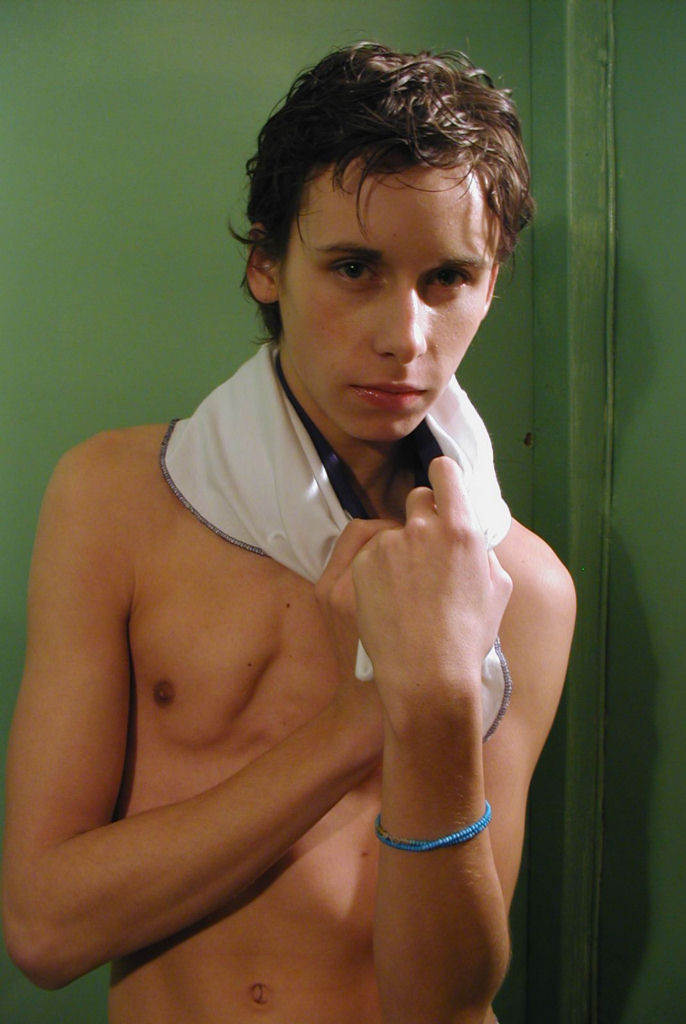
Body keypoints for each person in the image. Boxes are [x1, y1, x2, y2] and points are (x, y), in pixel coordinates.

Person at [2, 42, 575, 1024]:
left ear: (490, 286)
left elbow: (443, 1002)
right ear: (266, 263)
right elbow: (44, 931)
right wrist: (360, 723)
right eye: (354, 268)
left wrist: (440, 702)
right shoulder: (116, 501)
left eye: (448, 278)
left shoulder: (520, 587)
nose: (404, 337)